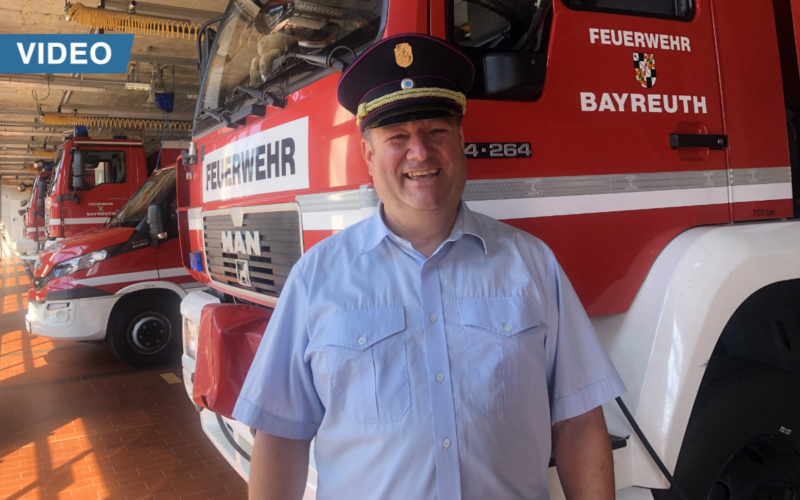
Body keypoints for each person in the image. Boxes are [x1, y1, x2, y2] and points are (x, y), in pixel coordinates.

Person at [233, 33, 626, 500]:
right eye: (396, 136)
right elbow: (281, 436)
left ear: (461, 141)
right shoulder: (316, 278)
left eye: (436, 131)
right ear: (368, 154)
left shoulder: (532, 264)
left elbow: (579, 422)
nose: (419, 152)